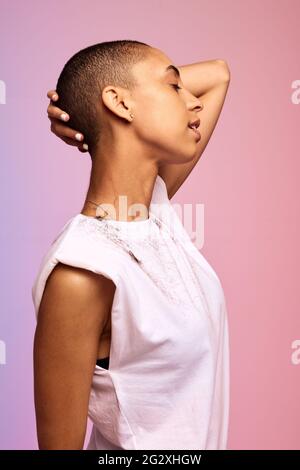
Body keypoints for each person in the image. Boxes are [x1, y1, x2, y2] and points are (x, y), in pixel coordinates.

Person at [32, 39, 231, 450]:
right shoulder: (83, 271)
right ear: (121, 104)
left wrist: (80, 104)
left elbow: (218, 73)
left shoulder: (151, 213)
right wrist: (91, 100)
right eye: (174, 86)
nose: (194, 103)